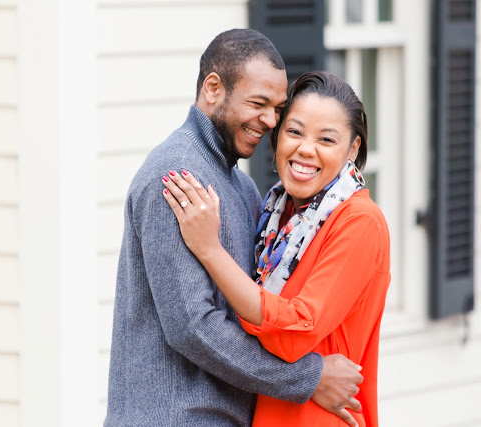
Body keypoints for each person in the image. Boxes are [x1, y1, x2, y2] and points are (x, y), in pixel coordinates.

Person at [104, 29, 365, 427]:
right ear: (213, 88)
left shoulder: (242, 187)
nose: (270, 120)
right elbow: (192, 327)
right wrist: (308, 378)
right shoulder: (175, 179)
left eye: (277, 108)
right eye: (258, 103)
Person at [162, 71, 391, 426]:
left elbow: (294, 333)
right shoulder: (275, 213)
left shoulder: (360, 221)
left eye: (326, 139)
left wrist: (209, 249)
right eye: (295, 131)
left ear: (353, 148)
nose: (305, 149)